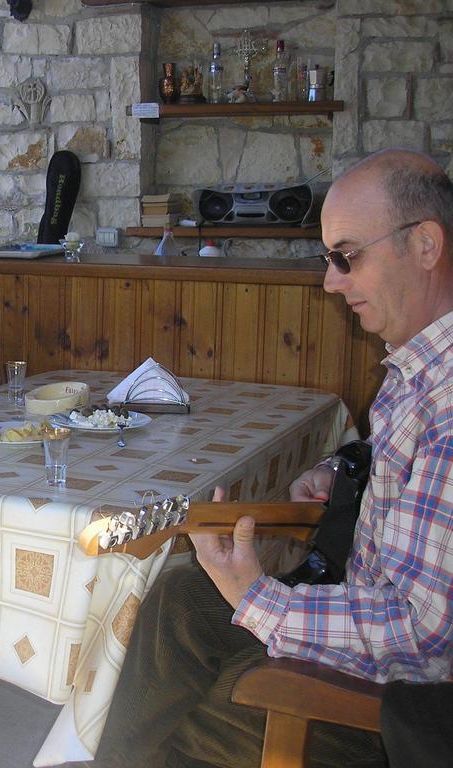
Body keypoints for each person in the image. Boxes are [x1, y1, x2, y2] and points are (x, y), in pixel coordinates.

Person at [100, 148, 453, 768]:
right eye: (328, 259)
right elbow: (408, 470)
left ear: (426, 244)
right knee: (182, 596)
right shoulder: (419, 365)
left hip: (405, 714)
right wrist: (344, 467)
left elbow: (427, 641)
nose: (330, 282)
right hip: (360, 609)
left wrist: (259, 598)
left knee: (167, 708)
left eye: (347, 256)